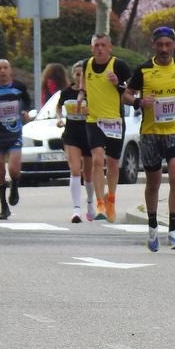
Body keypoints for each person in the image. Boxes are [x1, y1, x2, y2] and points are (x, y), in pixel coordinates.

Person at [125, 25, 175, 251]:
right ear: (154, 46)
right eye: (160, 45)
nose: (164, 49)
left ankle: (174, 230)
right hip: (151, 134)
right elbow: (126, 95)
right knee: (153, 183)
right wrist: (139, 102)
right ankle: (152, 226)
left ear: (174, 45)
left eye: (168, 44)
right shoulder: (144, 70)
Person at [82, 33, 132, 222]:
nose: (99, 49)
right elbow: (84, 88)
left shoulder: (119, 65)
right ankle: (100, 203)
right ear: (91, 48)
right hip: (93, 120)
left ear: (110, 47)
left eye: (103, 45)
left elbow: (130, 91)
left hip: (114, 121)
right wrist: (82, 100)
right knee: (97, 160)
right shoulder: (87, 65)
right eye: (96, 45)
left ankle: (111, 199)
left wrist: (117, 83)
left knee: (112, 163)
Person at [0, 59, 32, 220]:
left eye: (5, 68)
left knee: (14, 169)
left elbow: (26, 103)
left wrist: (24, 113)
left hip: (14, 132)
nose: (2, 71)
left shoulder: (19, 87)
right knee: (0, 171)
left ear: (10, 70)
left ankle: (15, 186)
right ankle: (4, 206)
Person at [57, 61, 95, 222]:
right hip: (71, 134)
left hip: (89, 134)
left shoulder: (91, 92)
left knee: (88, 174)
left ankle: (90, 203)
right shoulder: (66, 92)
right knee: (75, 169)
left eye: (83, 75)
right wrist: (59, 119)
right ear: (73, 75)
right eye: (77, 74)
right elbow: (58, 107)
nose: (80, 78)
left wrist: (90, 111)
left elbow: (100, 110)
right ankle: (76, 209)